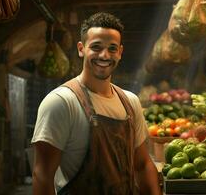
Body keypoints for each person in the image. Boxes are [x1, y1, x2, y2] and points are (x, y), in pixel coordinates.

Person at [31, 12, 162, 195]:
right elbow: (42, 176)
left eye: (112, 48)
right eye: (96, 47)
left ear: (120, 52)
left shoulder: (130, 103)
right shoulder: (61, 102)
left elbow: (142, 165)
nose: (104, 55)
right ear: (81, 48)